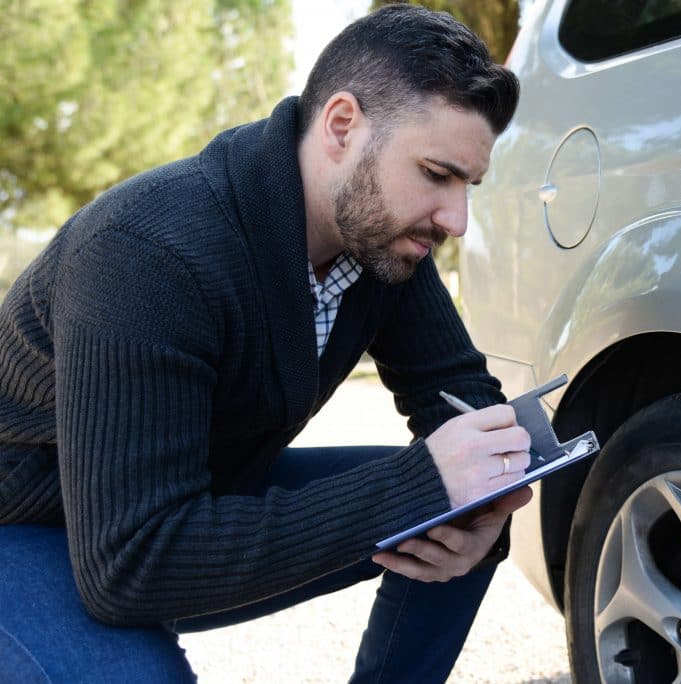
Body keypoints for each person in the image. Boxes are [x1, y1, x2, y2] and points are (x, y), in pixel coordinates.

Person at [0, 5, 532, 682]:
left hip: (188, 501)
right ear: (343, 126)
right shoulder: (146, 254)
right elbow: (130, 566)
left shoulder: (382, 241)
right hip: (35, 527)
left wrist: (484, 506)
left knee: (464, 501)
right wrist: (416, 488)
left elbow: (461, 398)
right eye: (435, 174)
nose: (455, 218)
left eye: (468, 184)